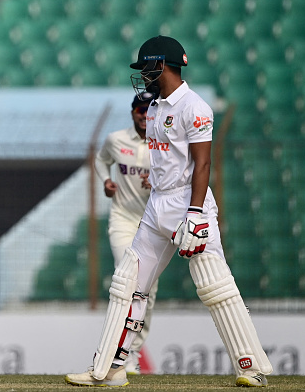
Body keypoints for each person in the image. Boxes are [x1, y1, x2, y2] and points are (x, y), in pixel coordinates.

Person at [65, 35, 272, 388]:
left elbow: (202, 163)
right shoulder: (156, 107)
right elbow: (166, 159)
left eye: (146, 66)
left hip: (188, 205)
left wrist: (195, 213)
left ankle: (250, 367)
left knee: (214, 285)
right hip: (157, 204)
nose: (142, 74)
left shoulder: (195, 106)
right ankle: (110, 369)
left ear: (162, 64)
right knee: (129, 284)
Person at [94, 92, 155, 375]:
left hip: (153, 223)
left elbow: (187, 172)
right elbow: (100, 159)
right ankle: (118, 354)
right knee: (126, 279)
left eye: (149, 109)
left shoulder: (165, 145)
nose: (144, 114)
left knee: (147, 290)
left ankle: (132, 351)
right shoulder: (116, 139)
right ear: (133, 113)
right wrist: (106, 180)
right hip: (123, 219)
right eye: (140, 109)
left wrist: (157, 178)